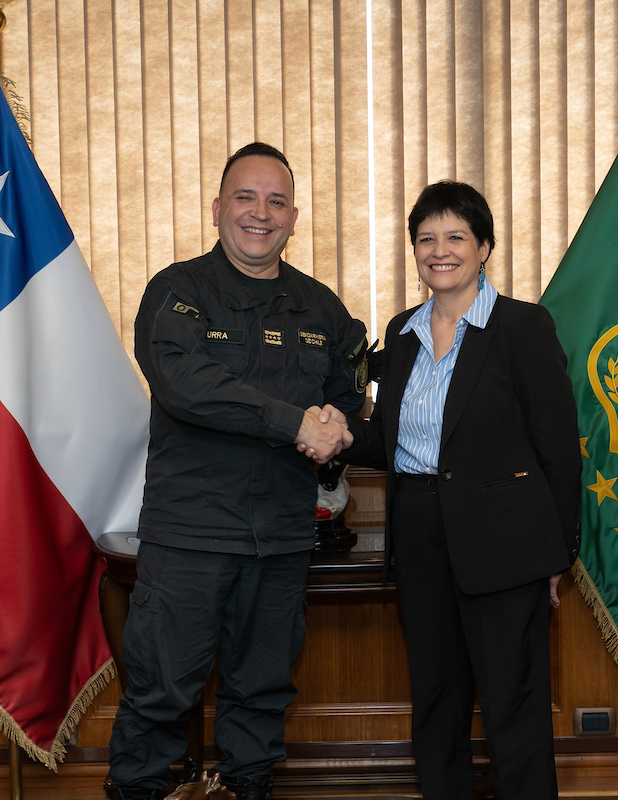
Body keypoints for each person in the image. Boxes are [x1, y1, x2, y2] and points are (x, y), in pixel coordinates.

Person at [109, 142, 371, 800]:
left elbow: (347, 385)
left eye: (276, 201)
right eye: (246, 198)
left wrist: (338, 423)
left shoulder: (318, 306)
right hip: (191, 536)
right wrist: (294, 424)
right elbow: (187, 385)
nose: (261, 213)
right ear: (219, 207)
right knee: (162, 692)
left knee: (260, 696)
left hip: (280, 537)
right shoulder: (178, 291)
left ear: (294, 216)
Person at [313, 181, 581, 799]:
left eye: (456, 236)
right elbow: (390, 440)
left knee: (513, 705)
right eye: (426, 238)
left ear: (484, 247)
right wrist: (342, 432)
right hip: (419, 534)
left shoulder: (522, 326)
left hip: (506, 543)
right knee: (435, 700)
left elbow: (559, 451)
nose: (440, 250)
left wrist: (555, 554)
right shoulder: (402, 331)